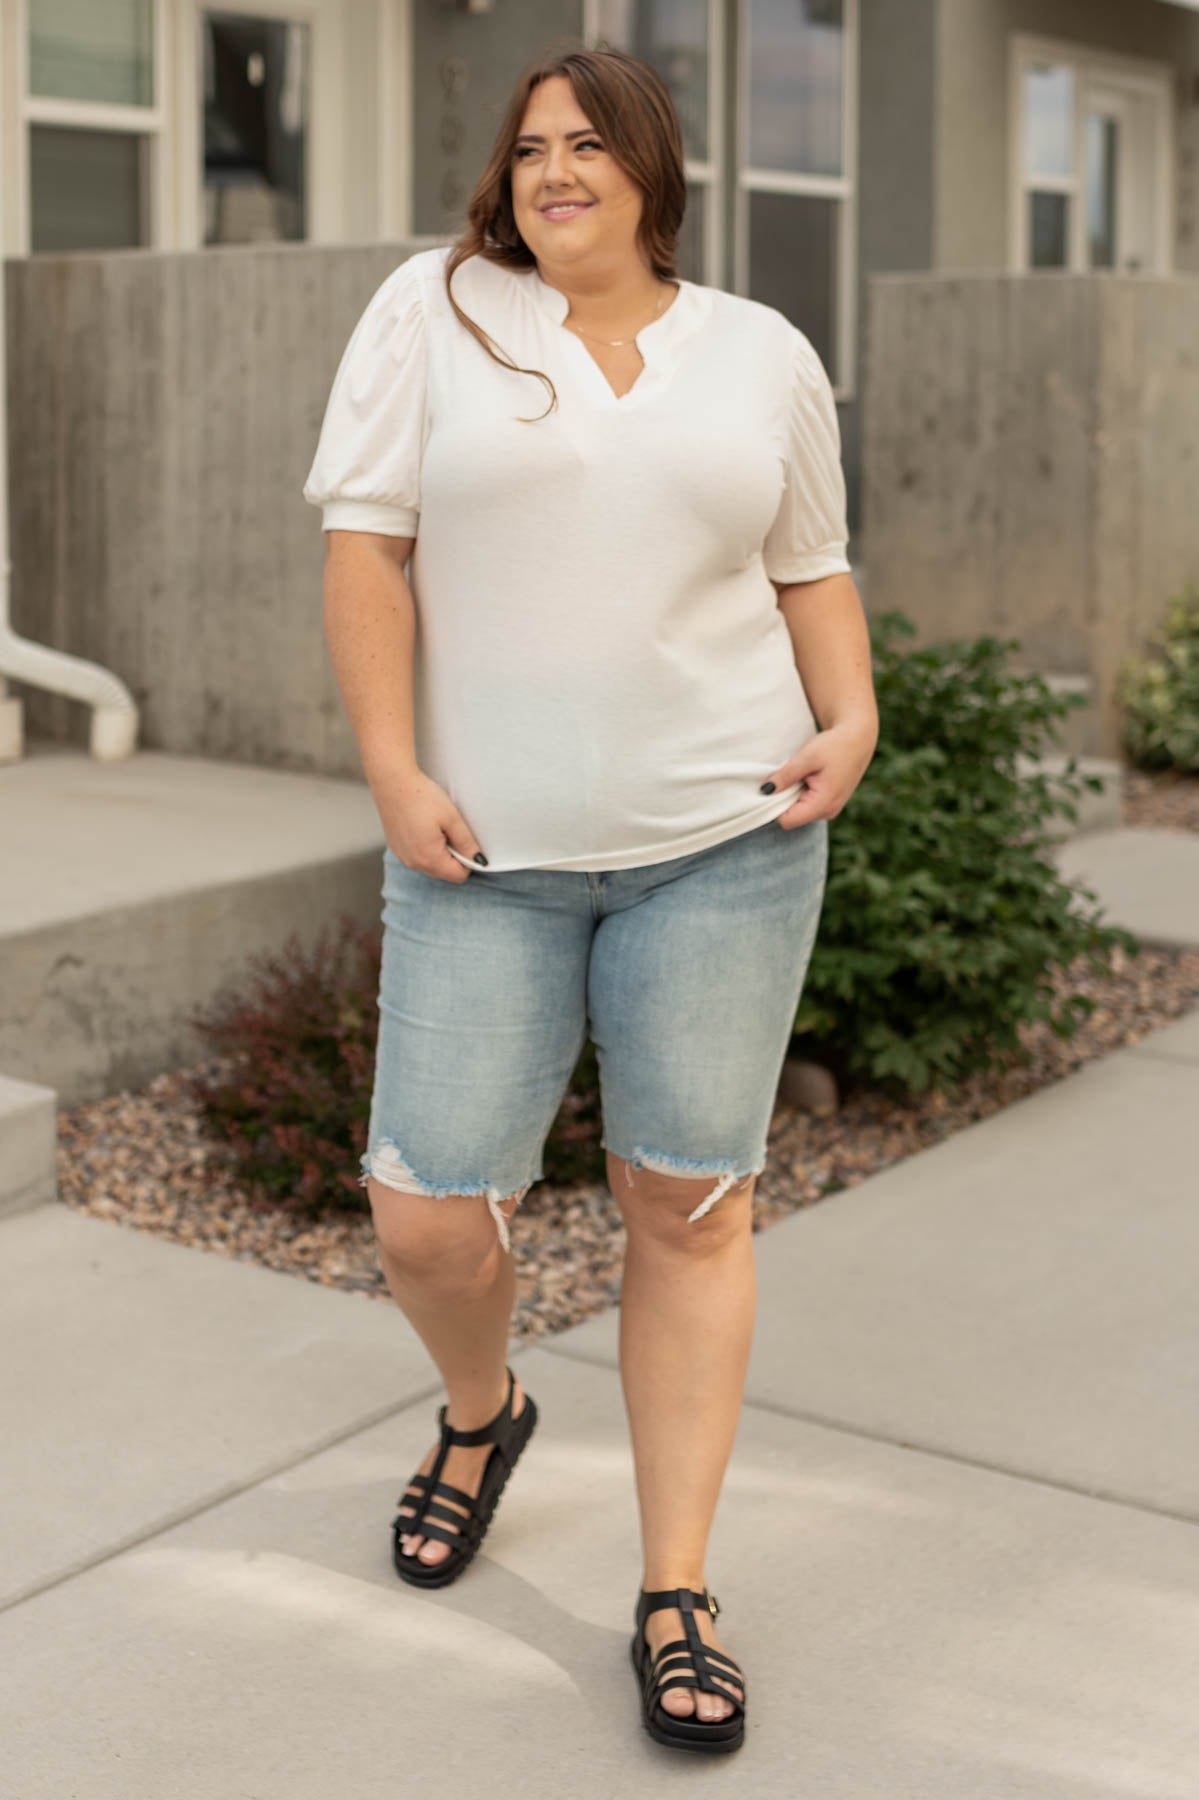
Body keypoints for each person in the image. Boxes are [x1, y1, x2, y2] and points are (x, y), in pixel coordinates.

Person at [301, 40, 878, 1756]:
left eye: (588, 145)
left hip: (730, 837)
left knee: (688, 1204)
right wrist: (397, 772)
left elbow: (811, 565)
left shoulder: (762, 353)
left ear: (650, 168)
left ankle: (677, 1586)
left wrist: (853, 716)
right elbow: (364, 549)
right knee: (424, 1209)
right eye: (531, 147)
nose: (555, 170)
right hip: (484, 852)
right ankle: (482, 1416)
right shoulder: (436, 311)